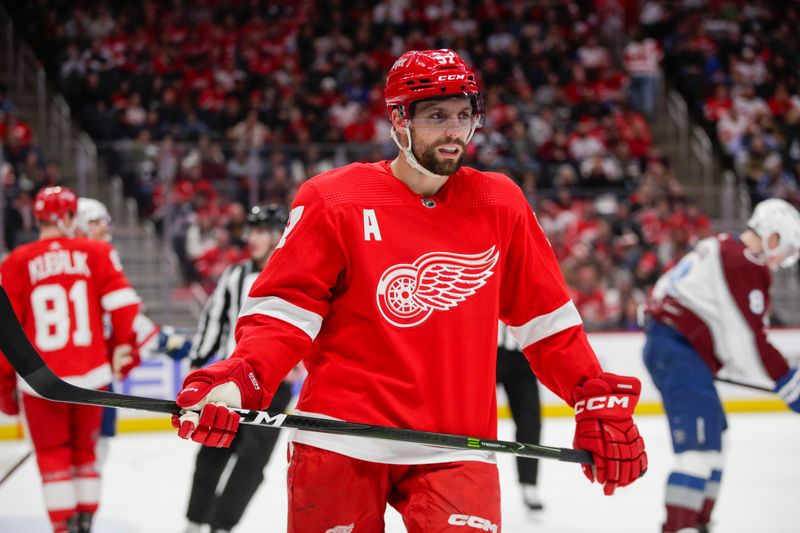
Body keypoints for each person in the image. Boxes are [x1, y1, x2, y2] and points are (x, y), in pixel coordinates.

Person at [172, 49, 648, 531]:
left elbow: (547, 320)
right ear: (398, 119)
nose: (454, 131)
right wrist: (244, 376)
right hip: (340, 440)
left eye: (464, 115)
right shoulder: (334, 199)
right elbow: (285, 310)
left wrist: (592, 395)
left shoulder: (500, 202)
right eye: (437, 116)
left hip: (457, 447)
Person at [644, 198, 800, 533]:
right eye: (785, 250)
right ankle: (679, 527)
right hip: (679, 349)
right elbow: (749, 341)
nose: (781, 260)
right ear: (773, 236)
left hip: (677, 348)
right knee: (697, 451)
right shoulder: (743, 262)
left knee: (716, 441)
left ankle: (697, 522)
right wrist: (788, 383)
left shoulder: (718, 245)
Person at [0, 186, 141, 533]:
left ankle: (64, 527)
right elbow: (124, 306)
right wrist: (124, 347)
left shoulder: (17, 261)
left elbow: (7, 331)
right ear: (67, 217)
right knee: (87, 454)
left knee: (53, 458)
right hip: (92, 375)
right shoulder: (96, 252)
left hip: (40, 382)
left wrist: (5, 389)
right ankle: (85, 522)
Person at [183, 205, 295, 533]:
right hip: (229, 382)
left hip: (272, 385)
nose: (254, 238)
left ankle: (221, 526)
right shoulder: (235, 275)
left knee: (252, 462)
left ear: (278, 234)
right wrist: (198, 365)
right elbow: (212, 321)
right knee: (212, 451)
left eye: (262, 231)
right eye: (252, 230)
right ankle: (194, 522)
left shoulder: (294, 273)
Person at [73, 197, 191, 467]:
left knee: (87, 454)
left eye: (104, 221)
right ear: (77, 225)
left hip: (78, 370)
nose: (104, 228)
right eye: (95, 222)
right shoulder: (97, 258)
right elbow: (123, 315)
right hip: (90, 373)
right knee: (89, 455)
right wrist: (162, 340)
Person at [497, 321, 544, 511]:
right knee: (473, 419)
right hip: (484, 349)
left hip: (521, 352)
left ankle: (529, 482)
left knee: (530, 421)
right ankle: (462, 480)